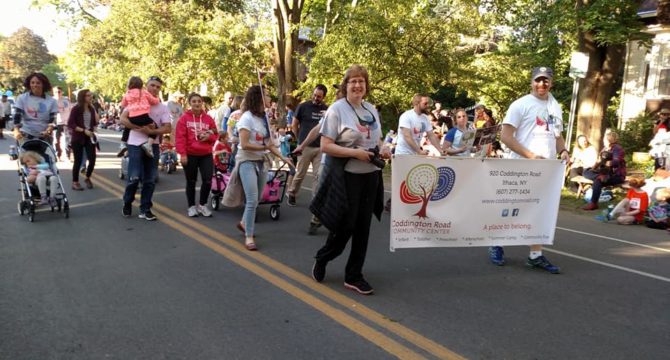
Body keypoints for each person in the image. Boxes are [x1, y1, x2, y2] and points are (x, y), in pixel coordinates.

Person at [310, 64, 391, 295]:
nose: (357, 85)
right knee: (345, 226)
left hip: (371, 177)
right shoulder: (336, 110)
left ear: (366, 86)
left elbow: (378, 140)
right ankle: (323, 257)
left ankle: (354, 275)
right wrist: (355, 153)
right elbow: (326, 146)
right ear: (345, 85)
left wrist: (383, 149)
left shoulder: (371, 109)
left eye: (361, 81)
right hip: (347, 178)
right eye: (353, 81)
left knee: (363, 228)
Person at [492, 66, 569, 274]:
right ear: (531, 82)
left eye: (546, 81)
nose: (541, 84)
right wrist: (531, 156)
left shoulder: (555, 106)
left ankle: (535, 255)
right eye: (538, 80)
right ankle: (497, 243)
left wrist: (563, 150)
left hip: (546, 169)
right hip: (522, 167)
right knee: (511, 209)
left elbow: (557, 134)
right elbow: (505, 137)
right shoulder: (520, 105)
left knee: (540, 211)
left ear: (551, 82)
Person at [228, 85, 293, 251]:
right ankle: (249, 236)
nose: (269, 97)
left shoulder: (263, 118)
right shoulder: (246, 118)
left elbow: (270, 144)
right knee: (251, 199)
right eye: (266, 95)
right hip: (247, 160)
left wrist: (283, 157)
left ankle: (243, 223)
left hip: (262, 161)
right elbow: (244, 144)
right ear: (258, 97)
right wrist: (263, 148)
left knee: (256, 199)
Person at [121, 76, 172, 221]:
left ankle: (145, 209)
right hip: (135, 144)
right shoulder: (136, 98)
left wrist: (152, 132)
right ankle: (127, 201)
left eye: (158, 87)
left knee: (150, 179)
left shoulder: (162, 107)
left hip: (152, 145)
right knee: (134, 177)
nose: (155, 89)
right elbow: (123, 119)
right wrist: (137, 127)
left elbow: (168, 127)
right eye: (152, 85)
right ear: (146, 86)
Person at [174, 93, 218, 217]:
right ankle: (191, 206)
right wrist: (182, 154)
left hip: (206, 154)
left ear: (202, 102)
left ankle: (203, 205)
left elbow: (216, 134)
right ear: (190, 103)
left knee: (208, 180)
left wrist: (209, 137)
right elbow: (180, 137)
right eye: (194, 101)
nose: (197, 103)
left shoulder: (208, 118)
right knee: (191, 181)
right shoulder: (184, 118)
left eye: (199, 101)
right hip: (190, 154)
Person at [287, 84, 329, 207]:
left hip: (320, 147)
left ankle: (315, 199)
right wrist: (296, 138)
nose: (316, 98)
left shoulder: (326, 109)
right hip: (304, 146)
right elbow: (294, 123)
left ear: (323, 97)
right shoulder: (303, 106)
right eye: (315, 95)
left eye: (319, 96)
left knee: (318, 175)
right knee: (300, 173)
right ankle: (292, 193)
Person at [117, 77, 161, 158]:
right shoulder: (144, 92)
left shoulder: (127, 94)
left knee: (127, 128)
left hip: (132, 116)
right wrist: (157, 99)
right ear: (142, 85)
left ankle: (123, 144)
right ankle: (149, 144)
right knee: (155, 128)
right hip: (143, 116)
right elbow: (154, 101)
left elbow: (123, 105)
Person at [582, 131, 626, 210]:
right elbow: (599, 160)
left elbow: (616, 161)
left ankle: (593, 204)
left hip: (616, 175)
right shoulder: (605, 148)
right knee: (586, 171)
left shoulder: (617, 148)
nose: (604, 141)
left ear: (610, 140)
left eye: (605, 139)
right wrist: (593, 168)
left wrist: (609, 162)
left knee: (598, 181)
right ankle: (599, 176)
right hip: (603, 173)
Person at [13, 72, 58, 144]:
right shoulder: (22, 98)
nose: (35, 85)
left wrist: (49, 129)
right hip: (25, 135)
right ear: (29, 84)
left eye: (38, 83)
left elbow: (53, 118)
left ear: (43, 84)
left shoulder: (52, 101)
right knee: (26, 155)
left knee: (46, 155)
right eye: (32, 83)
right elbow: (17, 115)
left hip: (44, 135)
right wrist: (16, 130)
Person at [67, 89, 99, 191]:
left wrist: (93, 131)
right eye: (88, 96)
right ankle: (75, 182)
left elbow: (95, 122)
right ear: (82, 97)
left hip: (89, 137)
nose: (90, 97)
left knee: (92, 159)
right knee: (78, 160)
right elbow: (71, 124)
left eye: (91, 95)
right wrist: (83, 130)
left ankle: (87, 178)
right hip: (78, 137)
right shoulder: (76, 109)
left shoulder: (91, 109)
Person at [53, 87, 72, 161]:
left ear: (62, 92)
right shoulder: (52, 101)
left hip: (66, 122)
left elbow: (71, 109)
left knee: (68, 140)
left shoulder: (66, 100)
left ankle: (68, 155)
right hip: (56, 123)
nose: (57, 93)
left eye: (59, 91)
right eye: (56, 92)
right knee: (56, 140)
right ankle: (58, 155)